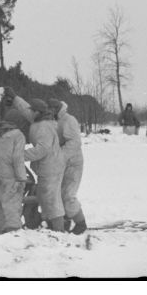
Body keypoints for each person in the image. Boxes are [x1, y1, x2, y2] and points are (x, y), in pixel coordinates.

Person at [5, 88, 66, 232]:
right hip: (48, 167)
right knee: (45, 198)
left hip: (52, 168)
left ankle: (59, 230)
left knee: (52, 201)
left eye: (33, 110)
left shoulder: (44, 127)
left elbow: (41, 150)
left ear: (38, 112)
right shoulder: (38, 118)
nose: (30, 112)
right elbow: (26, 109)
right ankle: (49, 226)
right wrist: (14, 98)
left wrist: (20, 156)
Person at [0, 108, 28, 234]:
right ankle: (13, 237)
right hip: (9, 177)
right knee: (12, 208)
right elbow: (17, 158)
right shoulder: (18, 135)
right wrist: (21, 178)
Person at [47, 98, 87, 234]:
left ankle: (81, 223)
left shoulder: (69, 120)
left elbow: (75, 142)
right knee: (58, 193)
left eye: (51, 109)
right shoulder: (55, 121)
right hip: (62, 163)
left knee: (68, 195)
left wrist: (59, 156)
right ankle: (64, 221)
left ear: (56, 109)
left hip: (73, 163)